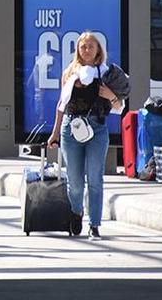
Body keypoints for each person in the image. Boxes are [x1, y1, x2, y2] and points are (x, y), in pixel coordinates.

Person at [47, 32, 125, 241]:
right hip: (71, 128)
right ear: (78, 50)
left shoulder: (107, 73)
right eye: (83, 47)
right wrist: (54, 134)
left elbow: (119, 107)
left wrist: (111, 96)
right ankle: (76, 211)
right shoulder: (69, 73)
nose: (87, 50)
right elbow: (61, 105)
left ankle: (95, 225)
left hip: (97, 129)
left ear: (99, 50)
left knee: (95, 178)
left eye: (91, 46)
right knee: (74, 179)